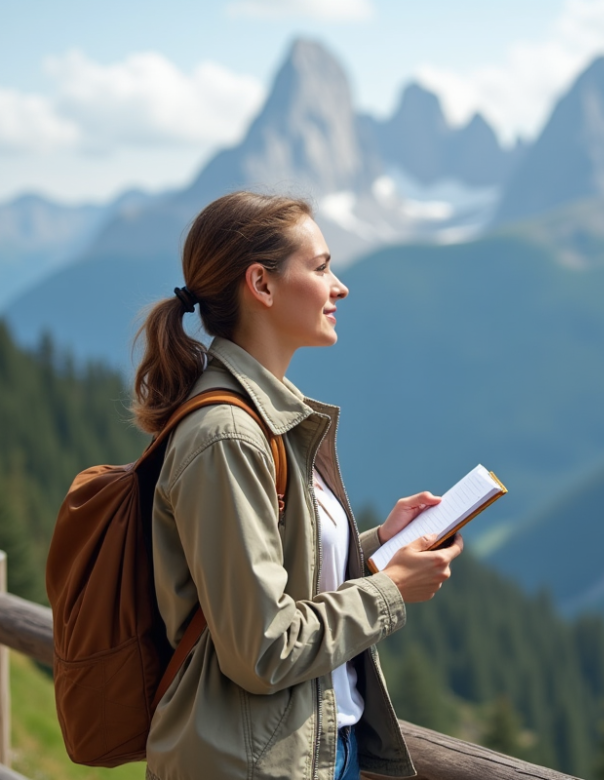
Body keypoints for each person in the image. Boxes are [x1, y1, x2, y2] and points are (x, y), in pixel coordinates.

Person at [131, 191, 464, 780]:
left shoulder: (265, 418)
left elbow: (275, 572)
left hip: (312, 752)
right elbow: (262, 647)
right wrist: (389, 589)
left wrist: (377, 543)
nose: (340, 287)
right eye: (320, 266)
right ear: (261, 285)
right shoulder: (228, 436)